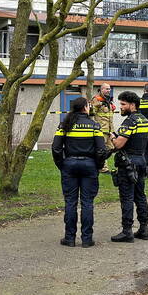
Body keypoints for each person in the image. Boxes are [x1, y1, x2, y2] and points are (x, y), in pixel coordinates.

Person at [52, 96, 107, 248]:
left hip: (69, 164)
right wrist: (98, 165)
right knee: (87, 202)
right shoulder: (95, 126)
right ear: (85, 108)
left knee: (70, 202)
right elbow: (101, 149)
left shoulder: (64, 125)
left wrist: (61, 165)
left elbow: (56, 148)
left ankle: (69, 238)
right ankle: (87, 239)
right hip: (89, 165)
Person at [109, 91, 148, 242]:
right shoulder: (144, 120)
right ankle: (144, 229)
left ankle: (127, 231)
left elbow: (119, 144)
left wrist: (113, 137)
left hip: (128, 164)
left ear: (132, 105)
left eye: (123, 104)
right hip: (141, 161)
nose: (121, 107)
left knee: (127, 197)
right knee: (140, 195)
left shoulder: (130, 121)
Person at [91, 83, 115, 173]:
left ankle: (98, 163)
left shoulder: (109, 100)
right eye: (106, 89)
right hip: (101, 129)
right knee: (102, 149)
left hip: (109, 130)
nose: (108, 90)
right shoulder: (96, 99)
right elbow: (91, 113)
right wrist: (98, 105)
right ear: (101, 90)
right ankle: (103, 168)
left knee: (111, 148)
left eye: (109, 89)